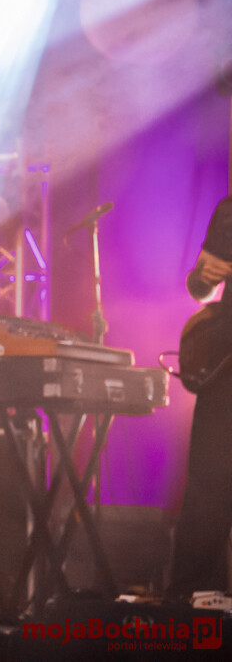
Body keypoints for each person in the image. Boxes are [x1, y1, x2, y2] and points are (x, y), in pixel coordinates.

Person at [166, 194, 232, 603]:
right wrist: (204, 277)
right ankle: (188, 612)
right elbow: (198, 286)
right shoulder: (229, 211)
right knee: (206, 495)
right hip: (224, 374)